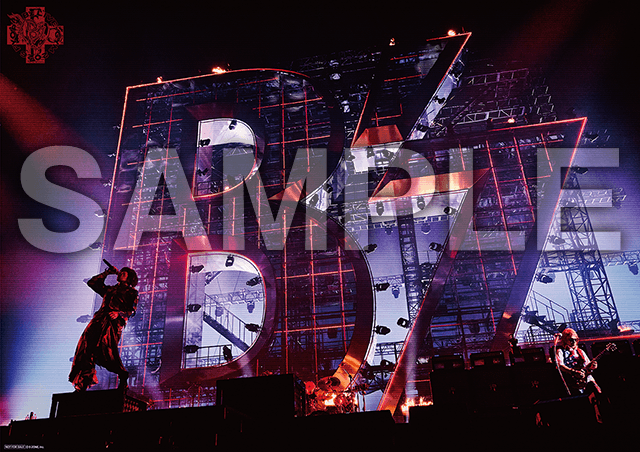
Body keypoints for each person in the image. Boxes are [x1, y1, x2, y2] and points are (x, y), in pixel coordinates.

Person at [69, 264, 139, 391]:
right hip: (98, 321)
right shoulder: (110, 290)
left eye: (124, 273)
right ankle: (83, 383)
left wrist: (119, 313)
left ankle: (122, 375)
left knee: (106, 351)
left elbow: (132, 310)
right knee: (86, 349)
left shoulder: (131, 292)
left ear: (129, 278)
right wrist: (107, 273)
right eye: (120, 272)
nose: (120, 274)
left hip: (112, 324)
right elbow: (92, 283)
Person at [555, 328, 601, 395]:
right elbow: (560, 366)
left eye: (575, 339)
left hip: (587, 380)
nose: (574, 342)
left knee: (597, 393)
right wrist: (573, 372)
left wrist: (593, 367)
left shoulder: (580, 351)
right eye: (571, 340)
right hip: (572, 382)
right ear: (565, 340)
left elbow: (588, 366)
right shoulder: (560, 351)